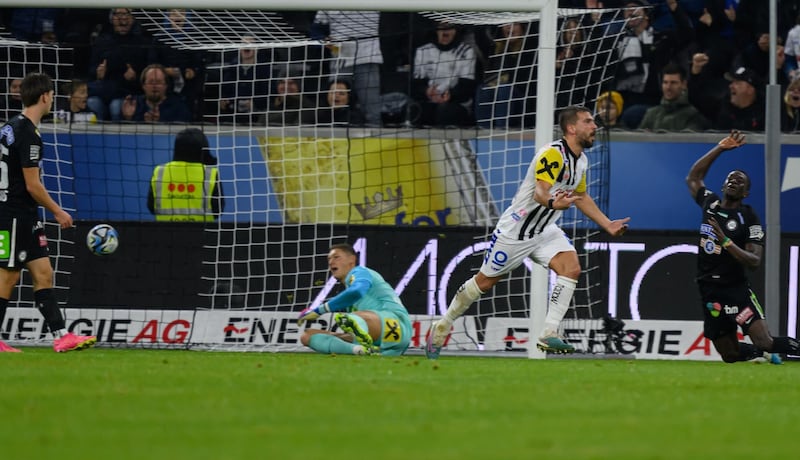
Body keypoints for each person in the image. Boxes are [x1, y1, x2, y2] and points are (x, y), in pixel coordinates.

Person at [426, 106, 631, 358]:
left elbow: (581, 196)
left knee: (572, 267)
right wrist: (555, 203)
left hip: (544, 230)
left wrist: (607, 224)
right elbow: (540, 192)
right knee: (485, 282)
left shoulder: (582, 161)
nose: (594, 126)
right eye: (588, 122)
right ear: (571, 128)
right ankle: (443, 324)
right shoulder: (552, 155)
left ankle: (548, 334)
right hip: (516, 231)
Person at [0, 72, 97, 353]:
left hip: (23, 215)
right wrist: (58, 211)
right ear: (45, 96)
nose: (53, 99)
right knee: (8, 276)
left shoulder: (10, 127)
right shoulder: (28, 134)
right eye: (53, 95)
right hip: (14, 214)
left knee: (43, 273)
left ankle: (62, 336)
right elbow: (33, 185)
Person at [685, 130, 799, 364]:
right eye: (731, 178)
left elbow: (755, 261)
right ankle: (763, 356)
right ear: (724, 184)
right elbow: (693, 178)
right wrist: (720, 148)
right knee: (730, 354)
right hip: (709, 289)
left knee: (764, 340)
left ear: (745, 192)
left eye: (740, 181)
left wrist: (726, 241)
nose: (733, 181)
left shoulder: (748, 217)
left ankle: (768, 350)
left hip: (735, 290)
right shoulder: (710, 203)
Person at [297, 243, 412, 356]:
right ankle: (359, 350)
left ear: (351, 260)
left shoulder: (359, 271)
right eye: (329, 259)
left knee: (351, 318)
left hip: (395, 323)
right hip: (385, 339)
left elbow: (357, 291)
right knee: (307, 335)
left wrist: (319, 310)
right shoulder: (351, 298)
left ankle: (363, 344)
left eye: (336, 257)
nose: (331, 262)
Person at [147, 127, 224, 222]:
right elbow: (218, 210)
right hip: (201, 234)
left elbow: (151, 207)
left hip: (165, 233)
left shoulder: (159, 171)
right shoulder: (210, 174)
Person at [411, 21, 477, 127]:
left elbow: (466, 86)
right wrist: (426, 91)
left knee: (445, 111)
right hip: (429, 100)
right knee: (416, 111)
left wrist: (450, 95)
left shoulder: (466, 51)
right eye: (442, 26)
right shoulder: (423, 51)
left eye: (450, 27)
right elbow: (416, 84)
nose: (445, 30)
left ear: (456, 30)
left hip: (456, 103)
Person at [637, 63, 710, 131]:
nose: (668, 87)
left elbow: (688, 141)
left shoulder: (693, 115)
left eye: (673, 83)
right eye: (665, 82)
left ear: (684, 84)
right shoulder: (651, 114)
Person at [120, 64, 192, 123]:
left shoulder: (178, 107)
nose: (154, 86)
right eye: (151, 82)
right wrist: (128, 118)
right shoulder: (133, 105)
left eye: (158, 82)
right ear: (143, 86)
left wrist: (158, 122)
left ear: (166, 86)